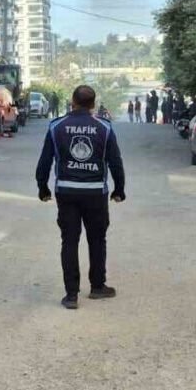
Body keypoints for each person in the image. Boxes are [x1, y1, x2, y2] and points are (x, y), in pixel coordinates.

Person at [35, 85, 126, 309]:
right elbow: (115, 161)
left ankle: (71, 295)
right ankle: (97, 287)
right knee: (97, 240)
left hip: (66, 192)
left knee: (69, 241)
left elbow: (45, 160)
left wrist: (42, 188)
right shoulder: (104, 128)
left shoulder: (56, 126)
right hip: (96, 193)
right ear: (93, 104)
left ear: (72, 102)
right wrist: (119, 189)